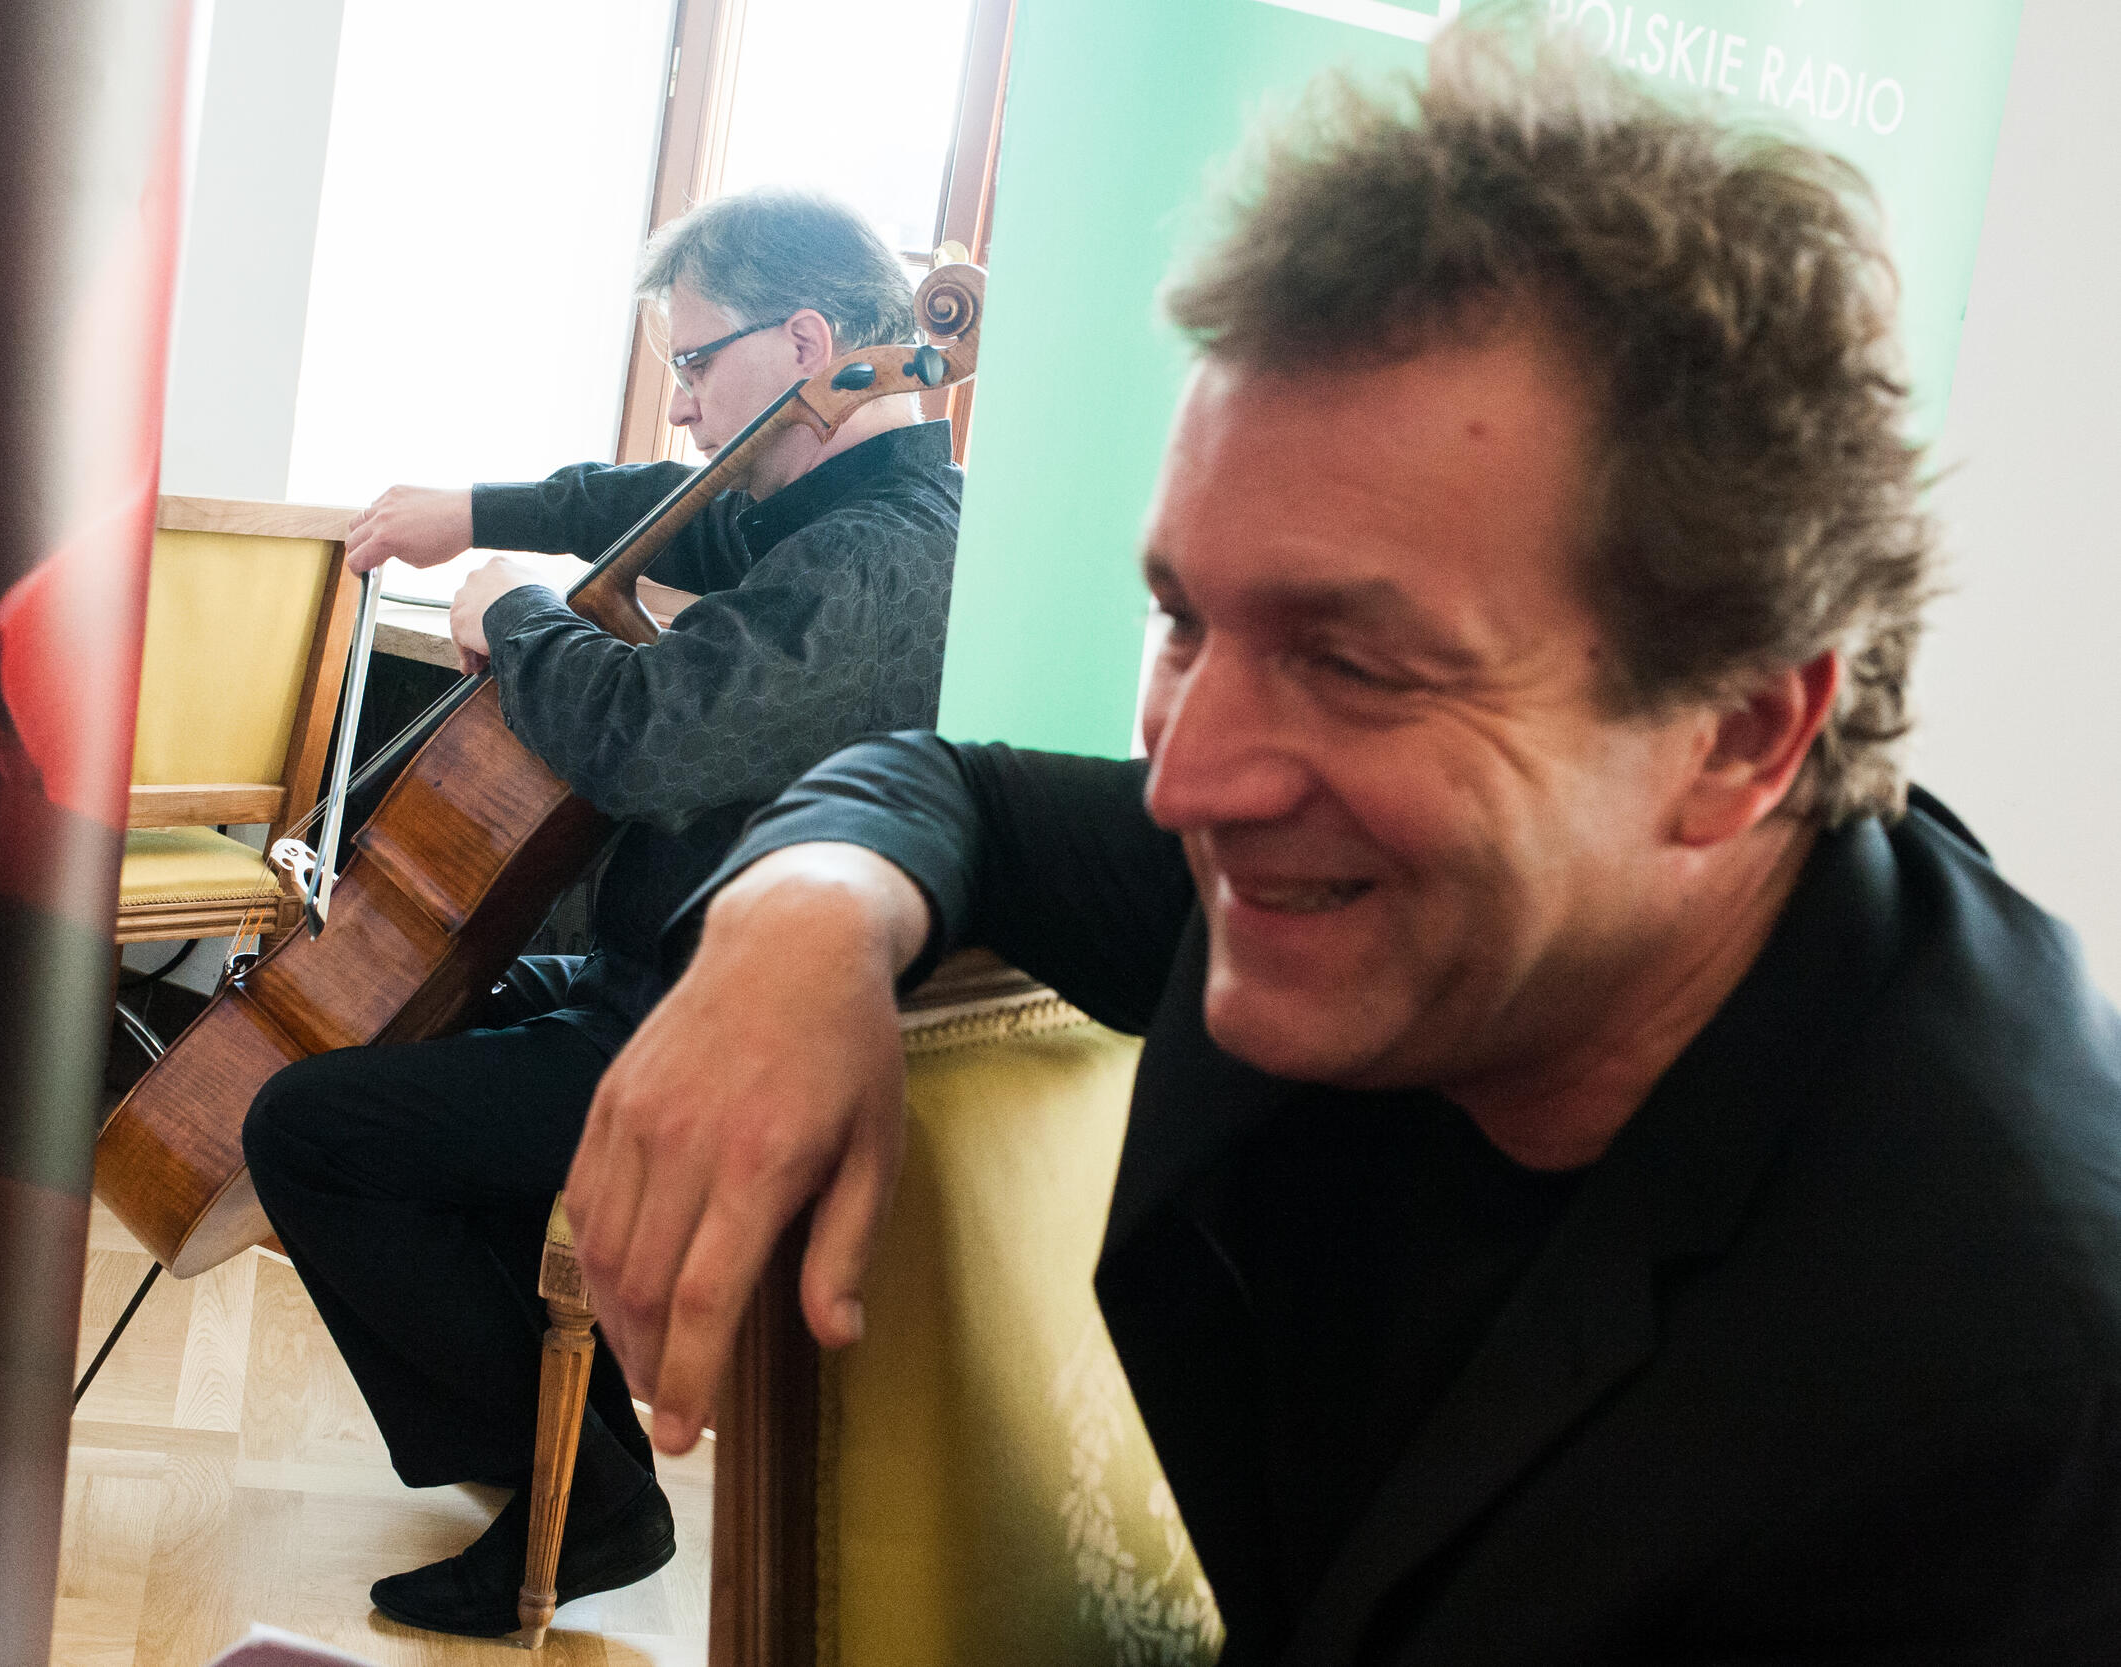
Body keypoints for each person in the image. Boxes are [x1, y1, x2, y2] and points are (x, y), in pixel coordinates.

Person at [564, 32, 2121, 1666]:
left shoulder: (2008, 1428)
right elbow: (957, 791)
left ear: (1737, 733)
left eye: (1356, 663)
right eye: (1183, 621)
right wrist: (797, 918)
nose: (1189, 782)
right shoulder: (1406, 887)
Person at [237, 189, 962, 1636]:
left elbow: (649, 739)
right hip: (656, 978)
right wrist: (476, 517)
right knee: (400, 1051)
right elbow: (649, 503)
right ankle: (557, 1461)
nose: (682, 404)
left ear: (804, 343)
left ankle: (594, 1500)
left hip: (730, 1038)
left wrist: (517, 612)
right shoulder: (819, 508)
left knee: (310, 1131)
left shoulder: (878, 557)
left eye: (694, 362)